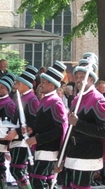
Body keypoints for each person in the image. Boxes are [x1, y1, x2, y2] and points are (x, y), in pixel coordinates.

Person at [62, 54, 105, 189]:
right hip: (73, 152)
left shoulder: (98, 100)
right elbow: (70, 129)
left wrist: (78, 123)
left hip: (88, 153)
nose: (78, 80)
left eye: (82, 77)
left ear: (91, 79)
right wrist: (63, 153)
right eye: (77, 77)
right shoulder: (76, 100)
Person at [25, 61, 68, 189]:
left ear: (51, 85)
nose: (41, 84)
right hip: (43, 147)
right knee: (47, 182)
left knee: (37, 181)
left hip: (49, 149)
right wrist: (32, 130)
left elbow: (59, 129)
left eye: (43, 82)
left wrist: (36, 138)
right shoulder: (45, 100)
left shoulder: (55, 102)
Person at [7, 66, 39, 189]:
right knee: (14, 169)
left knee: (18, 170)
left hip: (23, 140)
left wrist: (18, 132)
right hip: (17, 138)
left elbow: (33, 123)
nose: (16, 85)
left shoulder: (32, 99)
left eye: (19, 83)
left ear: (26, 85)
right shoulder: (20, 97)